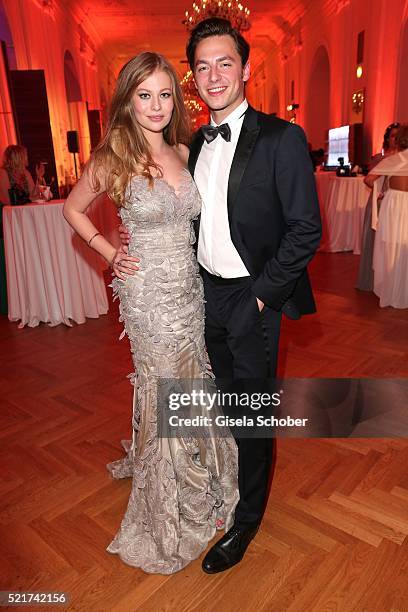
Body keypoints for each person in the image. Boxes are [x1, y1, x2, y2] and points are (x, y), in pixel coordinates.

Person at [117, 18, 322, 574]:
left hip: (252, 297)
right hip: (197, 295)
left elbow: (306, 229)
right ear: (194, 75)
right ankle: (220, 486)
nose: (213, 75)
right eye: (202, 65)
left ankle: (247, 520)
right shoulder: (192, 145)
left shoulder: (281, 138)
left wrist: (259, 299)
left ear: (246, 68)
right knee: (220, 402)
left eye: (224, 62)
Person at [63, 52, 238, 574]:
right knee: (163, 385)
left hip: (189, 288)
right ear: (128, 100)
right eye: (145, 95)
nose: (157, 105)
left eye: (165, 94)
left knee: (192, 380)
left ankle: (206, 474)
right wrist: (110, 250)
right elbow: (72, 208)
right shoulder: (114, 154)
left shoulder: (186, 151)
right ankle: (170, 505)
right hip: (145, 295)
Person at [0, 145, 45, 314]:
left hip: (24, 218)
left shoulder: (26, 174)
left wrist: (39, 178)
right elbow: (6, 199)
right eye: (24, 155)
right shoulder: (3, 174)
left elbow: (33, 196)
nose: (27, 158)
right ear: (17, 157)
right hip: (9, 219)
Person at [356, 122, 400, 291]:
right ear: (387, 139)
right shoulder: (380, 158)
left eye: (398, 136)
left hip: (396, 206)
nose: (395, 139)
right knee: (374, 242)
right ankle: (373, 280)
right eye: (392, 136)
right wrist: (379, 193)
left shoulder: (403, 157)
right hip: (379, 203)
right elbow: (368, 180)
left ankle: (391, 280)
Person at [370, 124, 408, 308]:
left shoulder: (393, 160)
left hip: (394, 205)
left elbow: (368, 180)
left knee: (392, 248)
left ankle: (392, 292)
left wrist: (381, 190)